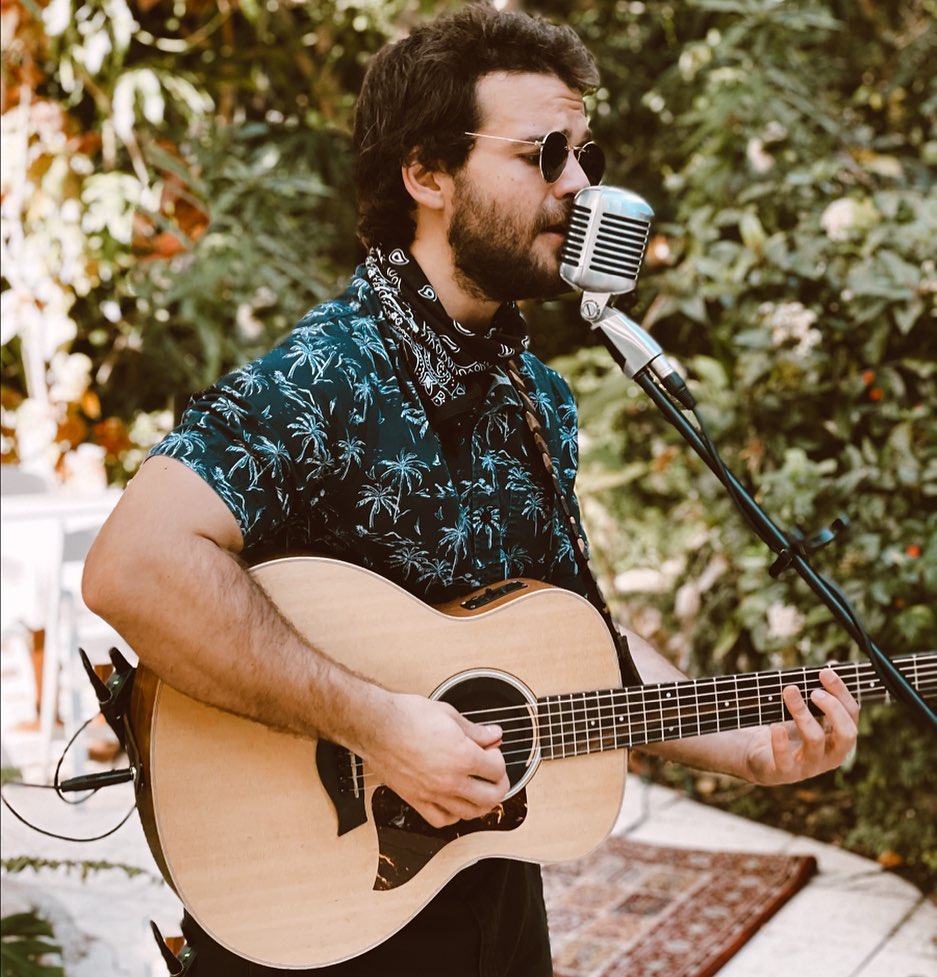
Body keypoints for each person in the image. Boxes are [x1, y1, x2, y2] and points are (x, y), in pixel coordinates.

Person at [82, 4, 860, 975]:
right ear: (426, 173)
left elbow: (572, 651)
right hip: (315, 912)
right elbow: (133, 566)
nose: (578, 186)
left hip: (493, 902)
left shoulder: (537, 396)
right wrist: (378, 722)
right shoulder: (328, 374)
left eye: (586, 156)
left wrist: (744, 745)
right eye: (544, 153)